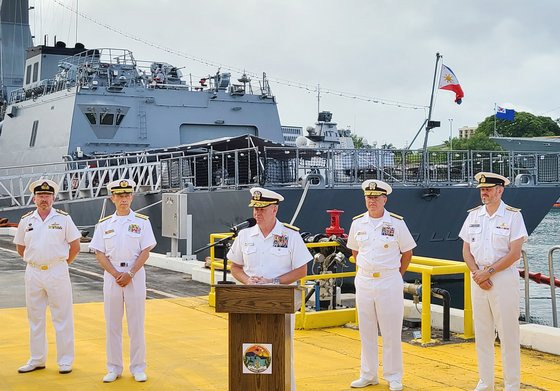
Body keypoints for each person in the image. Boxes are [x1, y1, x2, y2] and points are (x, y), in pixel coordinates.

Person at [227, 187, 313, 389]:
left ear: (274, 209)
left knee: (281, 351)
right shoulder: (245, 235)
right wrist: (247, 280)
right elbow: (235, 267)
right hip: (249, 302)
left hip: (280, 303)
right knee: (249, 349)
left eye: (262, 209)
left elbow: (301, 270)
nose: (257, 213)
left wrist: (273, 282)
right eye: (255, 209)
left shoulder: (290, 235)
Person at [459, 172, 527, 391]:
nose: (484, 193)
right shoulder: (473, 216)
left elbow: (515, 253)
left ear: (500, 190)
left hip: (503, 279)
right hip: (478, 278)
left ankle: (511, 384)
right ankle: (485, 382)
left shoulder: (512, 216)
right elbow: (466, 251)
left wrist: (488, 272)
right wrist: (478, 273)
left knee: (508, 333)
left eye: (488, 189)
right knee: (483, 333)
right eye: (482, 189)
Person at [347, 180, 416, 391]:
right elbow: (355, 251)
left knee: (391, 331)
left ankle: (394, 376)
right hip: (365, 280)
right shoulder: (358, 223)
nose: (372, 201)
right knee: (366, 330)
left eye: (376, 197)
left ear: (385, 199)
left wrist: (396, 274)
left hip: (388, 280)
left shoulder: (396, 223)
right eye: (369, 197)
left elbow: (407, 253)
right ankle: (368, 374)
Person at [89, 179, 156, 383]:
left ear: (132, 197)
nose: (123, 199)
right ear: (112, 198)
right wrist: (115, 273)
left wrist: (131, 273)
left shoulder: (142, 222)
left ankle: (138, 367)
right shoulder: (104, 224)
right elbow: (99, 252)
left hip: (134, 275)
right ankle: (114, 367)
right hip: (112, 276)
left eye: (127, 195)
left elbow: (146, 251)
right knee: (112, 325)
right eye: (119, 196)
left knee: (136, 324)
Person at [13, 179, 81, 375]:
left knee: (62, 317)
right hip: (33, 272)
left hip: (57, 272)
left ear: (53, 197)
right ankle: (37, 359)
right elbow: (20, 247)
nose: (44, 199)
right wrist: (36, 261)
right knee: (35, 317)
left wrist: (60, 265)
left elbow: (75, 246)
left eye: (48, 195)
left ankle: (65, 361)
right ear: (34, 198)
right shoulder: (27, 220)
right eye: (41, 196)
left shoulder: (63, 219)